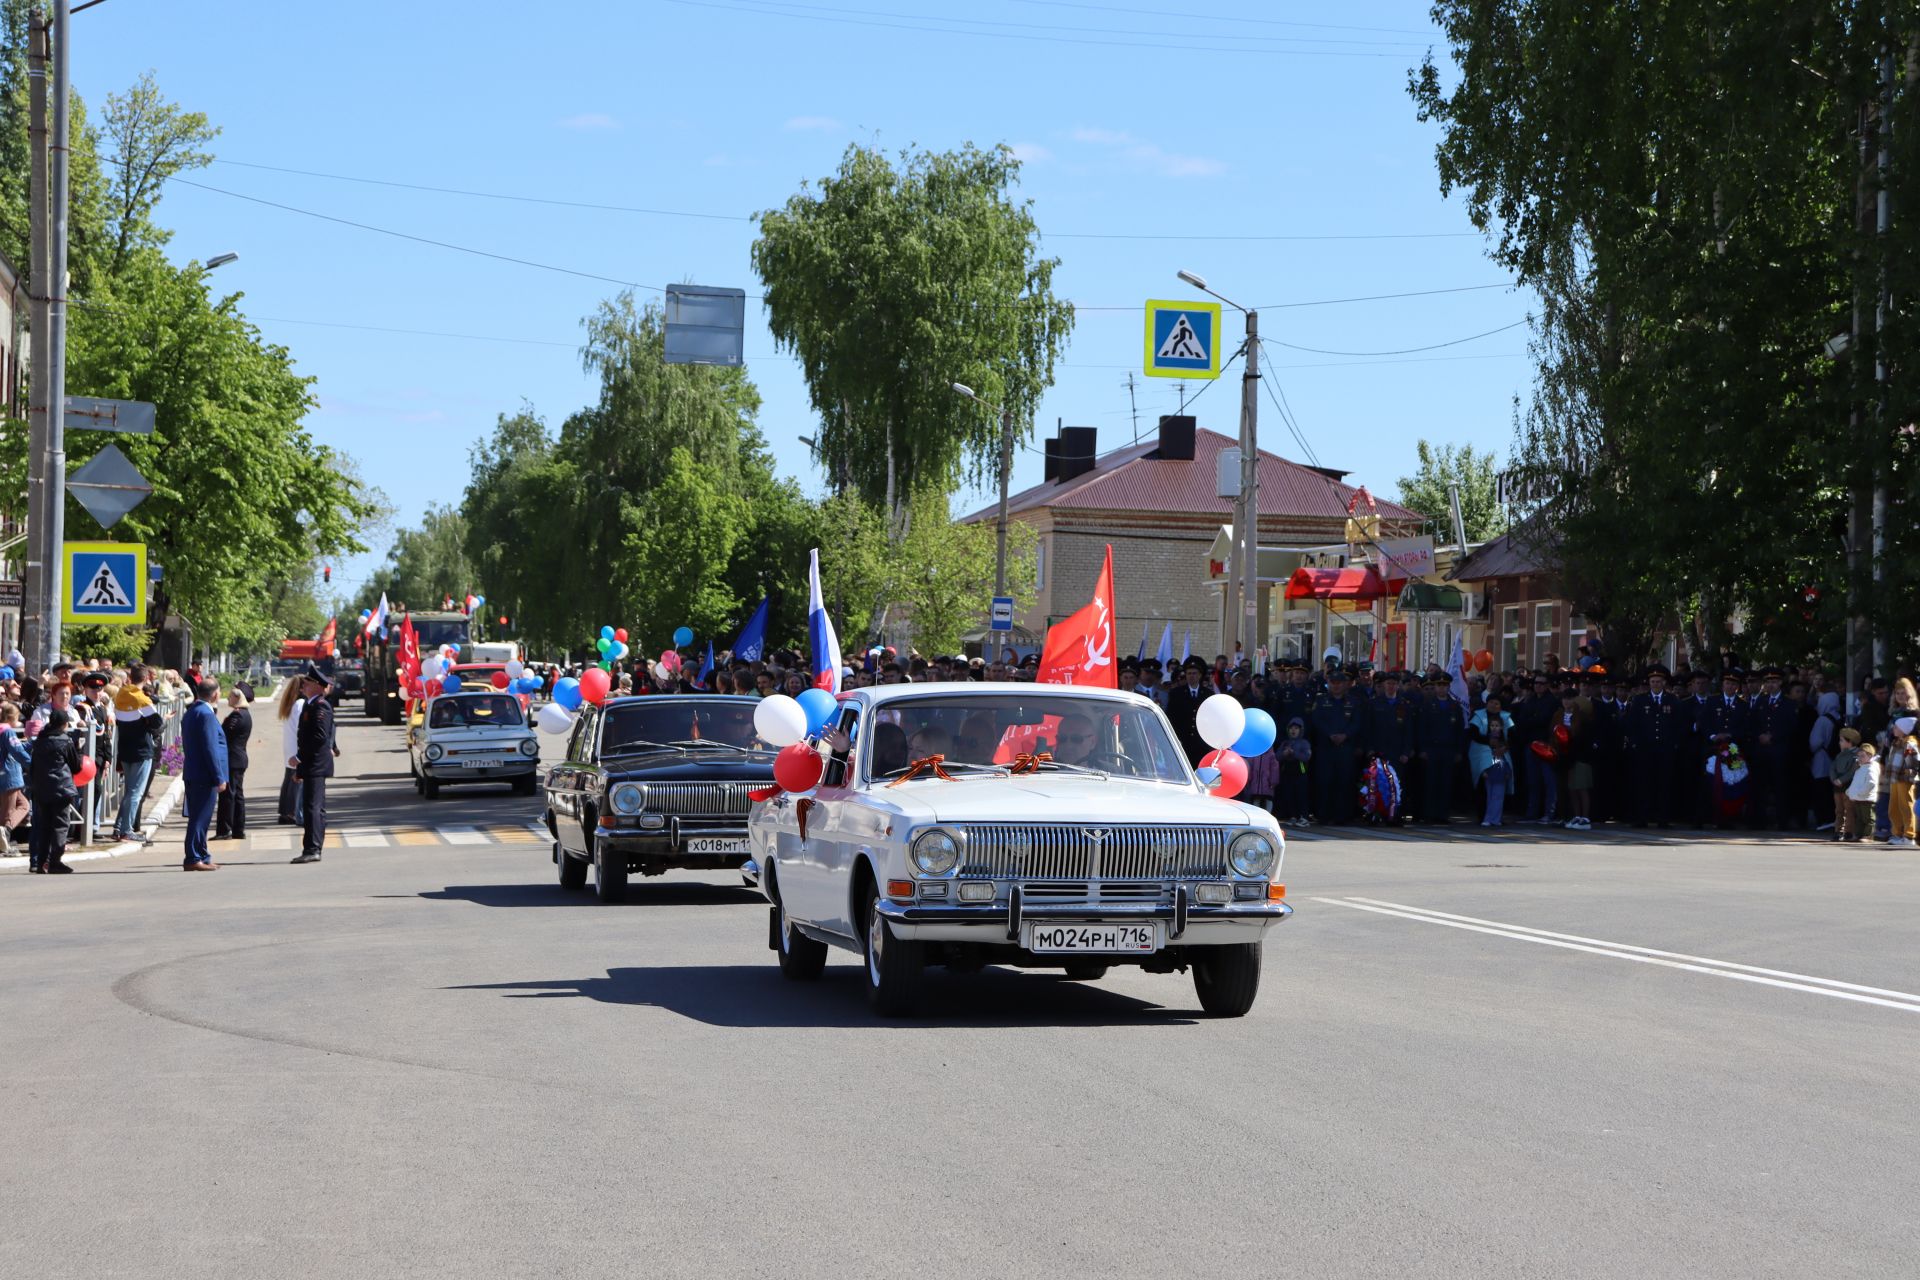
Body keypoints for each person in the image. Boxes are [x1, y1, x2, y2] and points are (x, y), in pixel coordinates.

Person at [180, 677, 228, 871]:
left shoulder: (193, 711)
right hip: (204, 775)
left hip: (194, 772)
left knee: (202, 818)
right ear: (215, 694)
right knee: (199, 819)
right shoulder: (206, 714)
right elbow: (210, 749)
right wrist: (219, 776)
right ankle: (193, 857)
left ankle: (203, 854)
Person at [26, 707, 82, 873]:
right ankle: (54, 861)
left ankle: (41, 861)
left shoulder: (39, 740)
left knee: (44, 825)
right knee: (60, 825)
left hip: (41, 789)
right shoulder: (65, 740)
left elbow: (33, 765)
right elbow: (76, 766)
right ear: (64, 724)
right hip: (61, 789)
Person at [111, 665, 161, 844]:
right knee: (135, 793)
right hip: (141, 750)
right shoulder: (142, 699)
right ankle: (127, 830)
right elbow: (157, 723)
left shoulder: (121, 695)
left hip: (124, 749)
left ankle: (118, 828)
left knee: (129, 791)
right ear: (147, 677)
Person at [291, 666, 335, 864]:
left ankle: (313, 848)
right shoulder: (310, 705)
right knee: (314, 807)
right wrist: (300, 769)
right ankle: (312, 846)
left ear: (317, 686)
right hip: (310, 765)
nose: (304, 686)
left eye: (307, 683)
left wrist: (299, 757)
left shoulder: (320, 706)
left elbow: (319, 737)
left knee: (313, 808)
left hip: (315, 764)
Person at [215, 687, 252, 840]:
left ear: (237, 697)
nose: (227, 699)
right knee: (237, 795)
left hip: (232, 759)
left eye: (230, 696)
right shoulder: (244, 714)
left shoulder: (237, 716)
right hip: (238, 758)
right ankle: (238, 829)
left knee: (228, 795)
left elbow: (223, 734)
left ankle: (226, 830)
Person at [276, 676, 306, 824]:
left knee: (289, 779)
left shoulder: (291, 704)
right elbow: (303, 728)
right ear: (301, 688)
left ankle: (285, 811)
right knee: (296, 781)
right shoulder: (300, 704)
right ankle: (292, 812)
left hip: (289, 746)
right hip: (296, 746)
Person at [0, 704, 29, 848]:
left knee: (24, 805)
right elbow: (17, 750)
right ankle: (4, 838)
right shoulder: (8, 731)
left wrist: (30, 743)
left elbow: (18, 746)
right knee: (7, 812)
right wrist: (32, 764)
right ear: (12, 717)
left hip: (5, 776)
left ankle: (7, 830)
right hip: (9, 775)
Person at [1274, 718, 1311, 823]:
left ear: (1301, 730)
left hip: (1300, 773)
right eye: (1291, 728)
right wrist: (1284, 754)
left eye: (1296, 728)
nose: (1293, 730)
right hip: (1287, 772)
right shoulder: (1285, 743)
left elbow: (1306, 757)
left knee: (1301, 795)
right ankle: (1293, 816)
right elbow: (1277, 756)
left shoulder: (1304, 743)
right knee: (1289, 795)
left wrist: (1293, 753)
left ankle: (1304, 817)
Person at [1846, 741, 1879, 843]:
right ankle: (1858, 835)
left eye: (1862, 756)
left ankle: (1868, 835)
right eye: (1859, 756)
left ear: (1870, 756)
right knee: (1859, 818)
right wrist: (1850, 791)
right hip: (1859, 798)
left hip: (1867, 798)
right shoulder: (1860, 768)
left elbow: (1871, 783)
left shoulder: (1871, 768)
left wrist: (1861, 792)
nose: (1859, 758)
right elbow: (1856, 782)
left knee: (1869, 818)